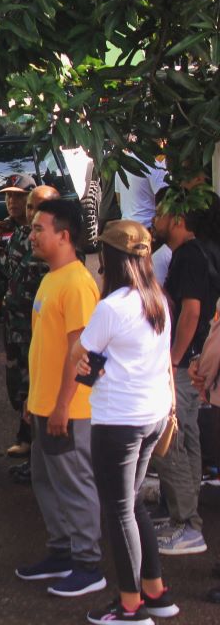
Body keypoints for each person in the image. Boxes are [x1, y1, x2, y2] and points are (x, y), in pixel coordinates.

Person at [71, 220, 179, 625]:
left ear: (113, 260)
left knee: (117, 512)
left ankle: (130, 606)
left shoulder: (112, 306)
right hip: (152, 414)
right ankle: (156, 592)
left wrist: (84, 362)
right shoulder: (158, 300)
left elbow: (79, 354)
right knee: (131, 505)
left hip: (119, 420)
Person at [15, 198, 105, 598]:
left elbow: (81, 353)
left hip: (67, 410)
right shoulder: (52, 277)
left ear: (64, 236)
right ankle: (61, 552)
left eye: (39, 229)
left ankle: (88, 563)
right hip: (44, 404)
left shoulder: (77, 283)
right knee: (45, 480)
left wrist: (63, 406)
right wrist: (35, 399)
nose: (32, 235)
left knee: (73, 483)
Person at [149, 189, 220, 557]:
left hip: (185, 363)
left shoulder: (189, 256)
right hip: (191, 363)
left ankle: (187, 523)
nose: (155, 218)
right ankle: (184, 517)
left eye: (160, 212)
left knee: (175, 441)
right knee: (186, 439)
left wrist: (173, 360)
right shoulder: (196, 253)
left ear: (178, 218)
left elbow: (191, 312)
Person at [0, 184, 61, 461]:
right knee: (18, 388)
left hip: (39, 330)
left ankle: (38, 452)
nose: (30, 213)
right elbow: (4, 272)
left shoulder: (58, 244)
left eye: (37, 208)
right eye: (29, 207)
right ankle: (26, 439)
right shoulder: (19, 236)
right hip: (15, 327)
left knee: (38, 388)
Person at [0, 173, 36, 289]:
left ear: (31, 198)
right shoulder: (0, 229)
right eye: (8, 195)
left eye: (19, 196)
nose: (12, 201)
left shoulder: (42, 229)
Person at [119, 155, 168, 229]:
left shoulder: (122, 163)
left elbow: (118, 198)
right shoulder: (154, 165)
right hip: (145, 227)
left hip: (126, 226)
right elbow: (164, 201)